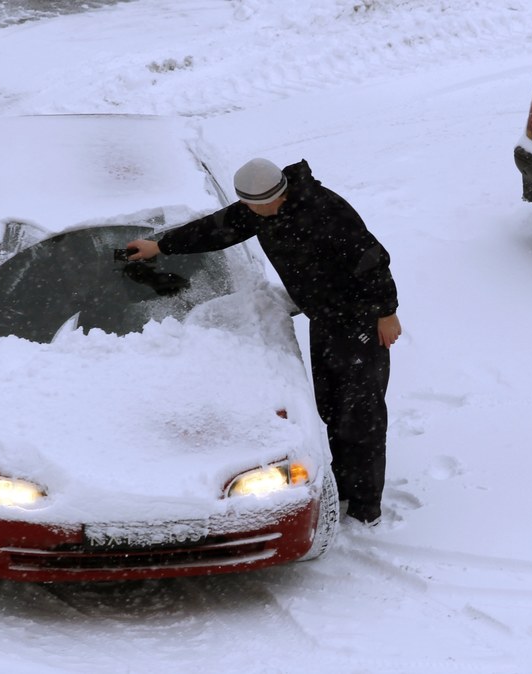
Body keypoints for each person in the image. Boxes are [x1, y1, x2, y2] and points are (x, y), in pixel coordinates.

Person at [126, 158, 400, 525]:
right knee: (332, 407)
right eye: (248, 205)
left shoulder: (325, 211)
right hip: (326, 319)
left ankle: (366, 506)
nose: (252, 212)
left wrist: (386, 312)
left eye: (257, 205)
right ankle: (346, 486)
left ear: (279, 193)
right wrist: (162, 247)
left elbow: (372, 259)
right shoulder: (260, 210)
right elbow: (217, 229)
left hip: (361, 320)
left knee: (361, 412)